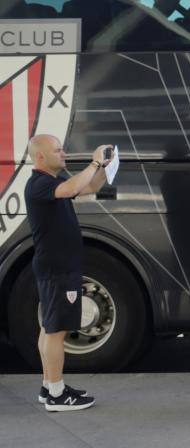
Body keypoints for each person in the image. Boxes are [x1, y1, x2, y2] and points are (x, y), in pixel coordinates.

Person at [26, 135, 111, 412]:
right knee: (56, 331)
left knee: (49, 328)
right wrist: (94, 161)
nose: (64, 153)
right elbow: (73, 187)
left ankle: (48, 386)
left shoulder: (50, 184)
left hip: (57, 266)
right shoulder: (39, 184)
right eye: (58, 150)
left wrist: (103, 169)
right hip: (57, 268)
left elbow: (87, 186)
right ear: (40, 157)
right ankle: (57, 395)